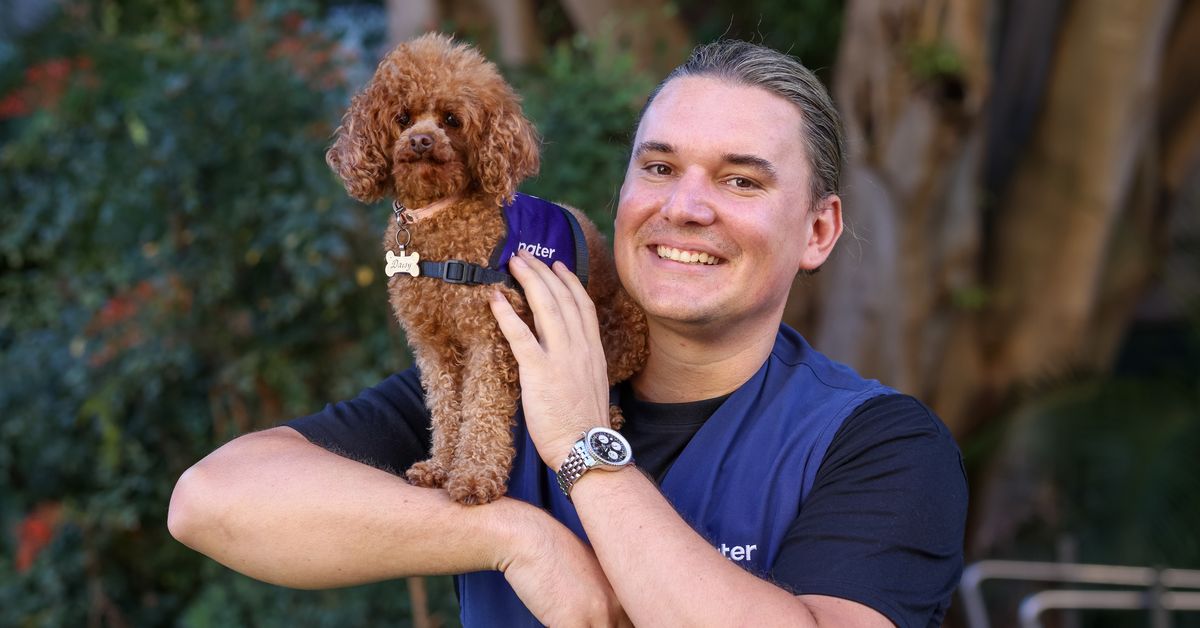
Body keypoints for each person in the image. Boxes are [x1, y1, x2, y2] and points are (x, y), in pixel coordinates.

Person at [168, 39, 967, 627]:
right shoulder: (505, 360)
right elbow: (213, 502)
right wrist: (516, 536)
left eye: (740, 179)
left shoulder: (879, 446)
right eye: (658, 168)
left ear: (820, 231)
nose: (684, 207)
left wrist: (585, 450)